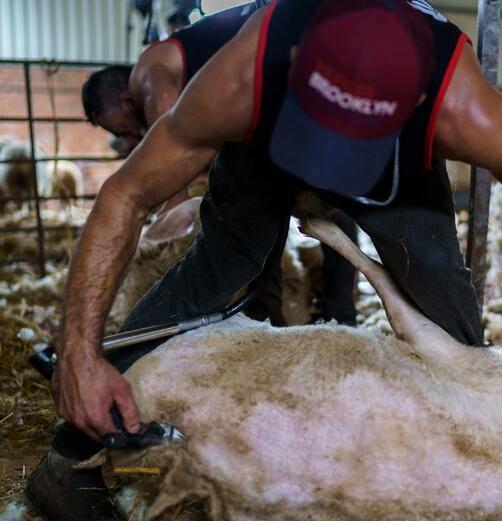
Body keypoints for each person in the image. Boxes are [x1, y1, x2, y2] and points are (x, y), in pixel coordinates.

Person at [28, 0, 502, 521]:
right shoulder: (241, 76)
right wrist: (81, 353)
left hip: (396, 162)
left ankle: (466, 479)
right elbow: (125, 194)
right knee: (223, 268)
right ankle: (75, 452)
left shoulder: (462, 104)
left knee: (451, 322)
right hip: (264, 132)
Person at [81, 0, 357, 327]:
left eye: (123, 129)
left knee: (253, 226)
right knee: (301, 212)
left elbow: (168, 127)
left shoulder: (149, 70)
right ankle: (324, 318)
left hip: (288, 92)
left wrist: (173, 197)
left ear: (124, 100)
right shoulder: (198, 74)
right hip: (305, 91)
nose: (129, 139)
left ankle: (277, 325)